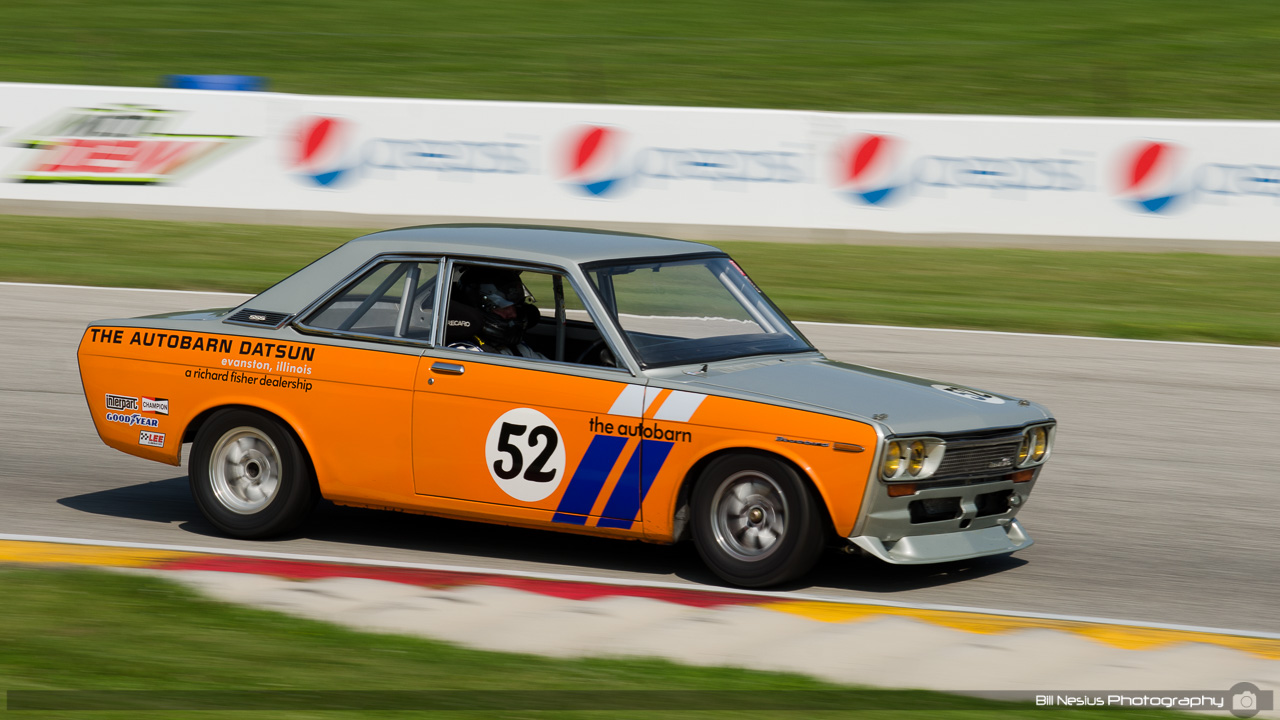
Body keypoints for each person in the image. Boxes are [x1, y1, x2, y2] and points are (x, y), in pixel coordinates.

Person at [445, 266, 545, 358]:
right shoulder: (465, 352)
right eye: (503, 308)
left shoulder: (517, 348)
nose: (513, 314)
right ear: (480, 309)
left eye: (514, 307)